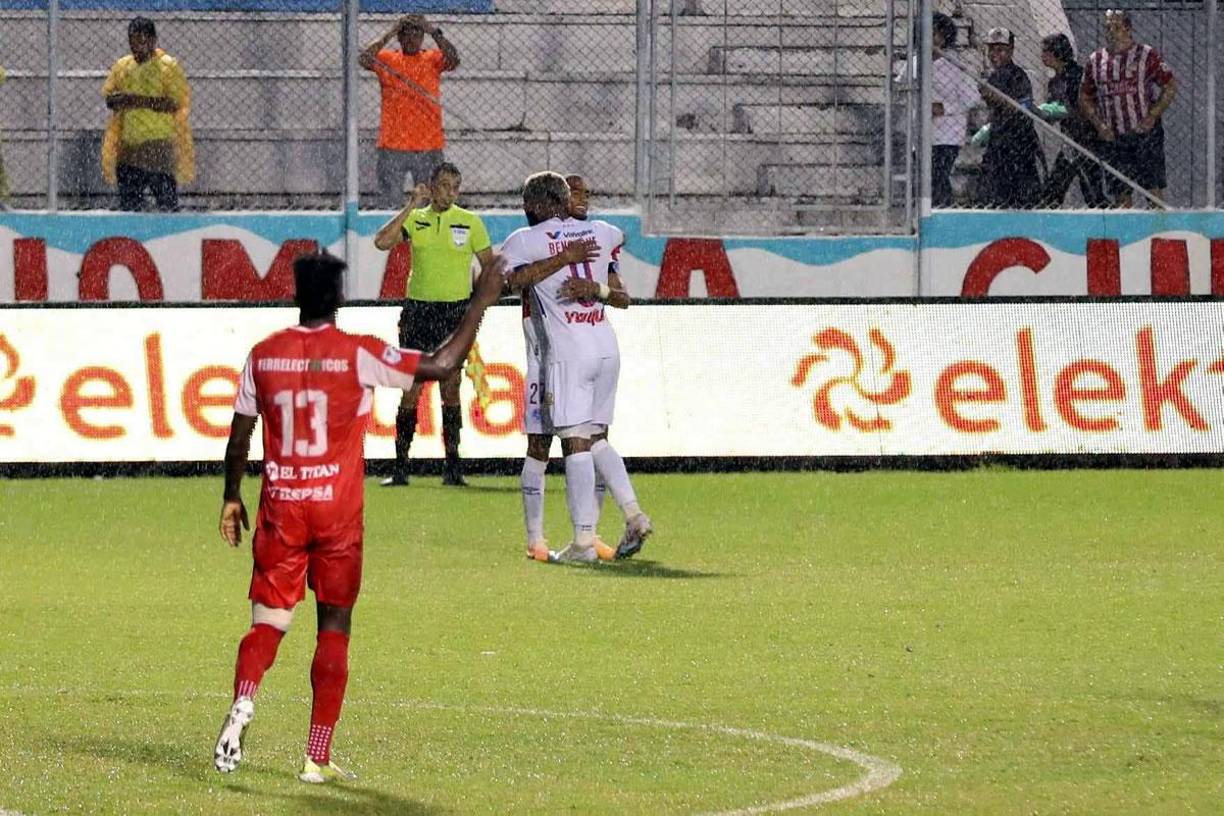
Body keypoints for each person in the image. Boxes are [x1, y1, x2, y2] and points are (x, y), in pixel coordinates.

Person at [213, 249, 505, 783]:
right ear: (340, 299)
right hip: (337, 514)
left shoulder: (263, 355)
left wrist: (232, 495)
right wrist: (482, 299)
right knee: (334, 626)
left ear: (295, 297)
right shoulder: (359, 354)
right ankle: (315, 756)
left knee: (269, 623)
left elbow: (239, 435)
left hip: (283, 506)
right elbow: (441, 365)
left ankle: (245, 698)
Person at [501, 171, 653, 564]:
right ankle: (633, 514)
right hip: (605, 347)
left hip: (564, 353)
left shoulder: (526, 240)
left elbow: (507, 281)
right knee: (597, 438)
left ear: (536, 205)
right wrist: (578, 256)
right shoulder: (601, 232)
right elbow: (623, 236)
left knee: (574, 443)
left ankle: (583, 542)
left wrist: (563, 258)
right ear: (566, 200)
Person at [372, 161, 494, 487]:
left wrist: (476, 306)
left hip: (453, 315)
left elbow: (490, 267)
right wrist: (411, 205)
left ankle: (453, 468)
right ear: (431, 186)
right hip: (418, 313)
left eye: (455, 187)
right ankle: (400, 468)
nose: (450, 193)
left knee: (451, 388)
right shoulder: (417, 219)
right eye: (444, 186)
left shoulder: (470, 223)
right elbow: (382, 242)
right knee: (410, 390)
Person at [359, 14, 460, 209]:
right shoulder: (388, 59)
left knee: (429, 205)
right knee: (390, 203)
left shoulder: (432, 58)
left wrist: (433, 31)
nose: (412, 39)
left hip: (428, 144)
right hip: (393, 143)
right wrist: (390, 31)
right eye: (406, 34)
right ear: (400, 37)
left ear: (422, 37)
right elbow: (364, 58)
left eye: (417, 34)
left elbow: (453, 59)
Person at [1079, 9, 1177, 208]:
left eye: (1117, 27)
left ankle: (1158, 234)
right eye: (1107, 27)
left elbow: (1170, 85)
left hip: (1144, 134)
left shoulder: (1146, 55)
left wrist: (1153, 115)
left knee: (1152, 189)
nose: (1112, 32)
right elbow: (1084, 96)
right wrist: (1099, 124)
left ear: (1128, 29)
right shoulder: (1096, 60)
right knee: (1121, 193)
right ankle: (1126, 235)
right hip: (1114, 136)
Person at [101, 17, 194, 211]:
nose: (138, 46)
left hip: (158, 145)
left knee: (166, 203)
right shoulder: (123, 66)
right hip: (129, 146)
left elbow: (175, 103)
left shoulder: (167, 66)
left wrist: (140, 101)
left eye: (143, 41)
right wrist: (120, 100)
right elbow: (109, 99)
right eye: (133, 41)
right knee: (129, 203)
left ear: (153, 40)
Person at [1037, 33, 1107, 208]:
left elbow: (1079, 109)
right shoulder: (1055, 82)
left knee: (1092, 191)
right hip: (1070, 142)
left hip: (1086, 141)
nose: (1042, 55)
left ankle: (1106, 222)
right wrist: (1044, 112)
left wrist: (1058, 111)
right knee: (1053, 191)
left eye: (1045, 51)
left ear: (1056, 53)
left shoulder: (1077, 76)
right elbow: (1054, 113)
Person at [975, 27, 1041, 209]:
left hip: (1017, 144)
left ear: (1011, 50)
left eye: (1000, 49)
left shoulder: (1018, 75)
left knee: (1019, 194)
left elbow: (1023, 107)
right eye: (992, 49)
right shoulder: (995, 76)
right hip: (999, 141)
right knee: (993, 192)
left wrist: (995, 97)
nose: (995, 54)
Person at [929, 13, 979, 208]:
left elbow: (972, 98)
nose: (931, 38)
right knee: (927, 180)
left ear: (944, 36)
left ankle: (945, 213)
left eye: (935, 33)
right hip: (923, 133)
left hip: (948, 133)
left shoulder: (954, 64)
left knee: (938, 177)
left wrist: (945, 107)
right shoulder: (916, 62)